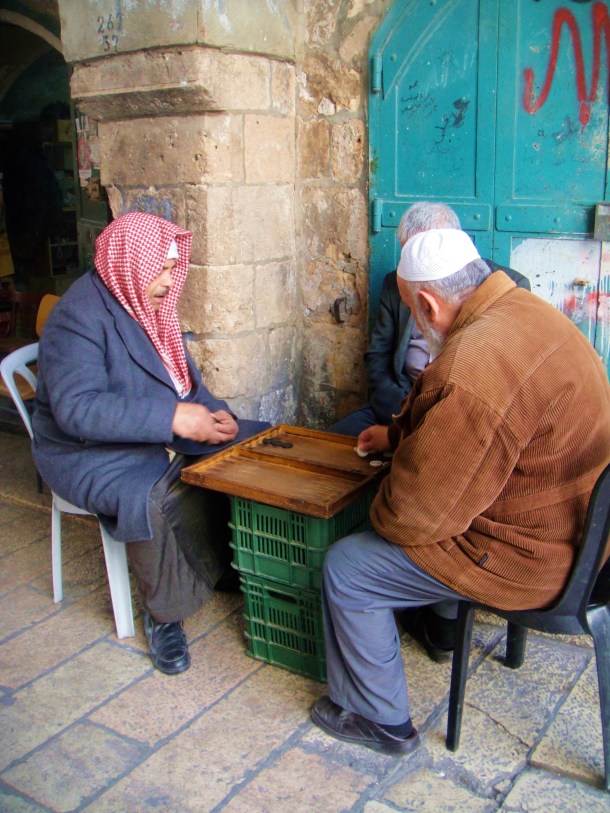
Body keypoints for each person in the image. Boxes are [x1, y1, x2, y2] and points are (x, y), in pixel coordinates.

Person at [311, 228, 610, 755]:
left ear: (427, 303)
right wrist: (396, 435)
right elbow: (456, 414)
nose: (419, 326)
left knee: (349, 565)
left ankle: (380, 719)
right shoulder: (522, 308)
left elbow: (413, 518)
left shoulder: (474, 362)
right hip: (585, 534)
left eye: (414, 313)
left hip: (537, 558)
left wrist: (386, 486)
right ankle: (435, 626)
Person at [32, 212, 270, 675]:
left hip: (148, 429)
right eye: (159, 269)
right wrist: (175, 417)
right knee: (155, 495)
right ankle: (164, 614)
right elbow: (79, 410)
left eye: (171, 268)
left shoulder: (146, 302)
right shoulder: (76, 318)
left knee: (249, 448)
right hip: (82, 450)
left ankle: (217, 564)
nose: (167, 281)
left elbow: (183, 382)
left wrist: (214, 413)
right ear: (130, 263)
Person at [329, 201, 530, 436]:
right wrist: (403, 416)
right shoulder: (396, 283)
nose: (412, 268)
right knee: (327, 446)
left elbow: (498, 385)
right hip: (400, 404)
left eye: (423, 255)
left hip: (464, 417)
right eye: (409, 255)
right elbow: (378, 358)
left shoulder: (508, 288)